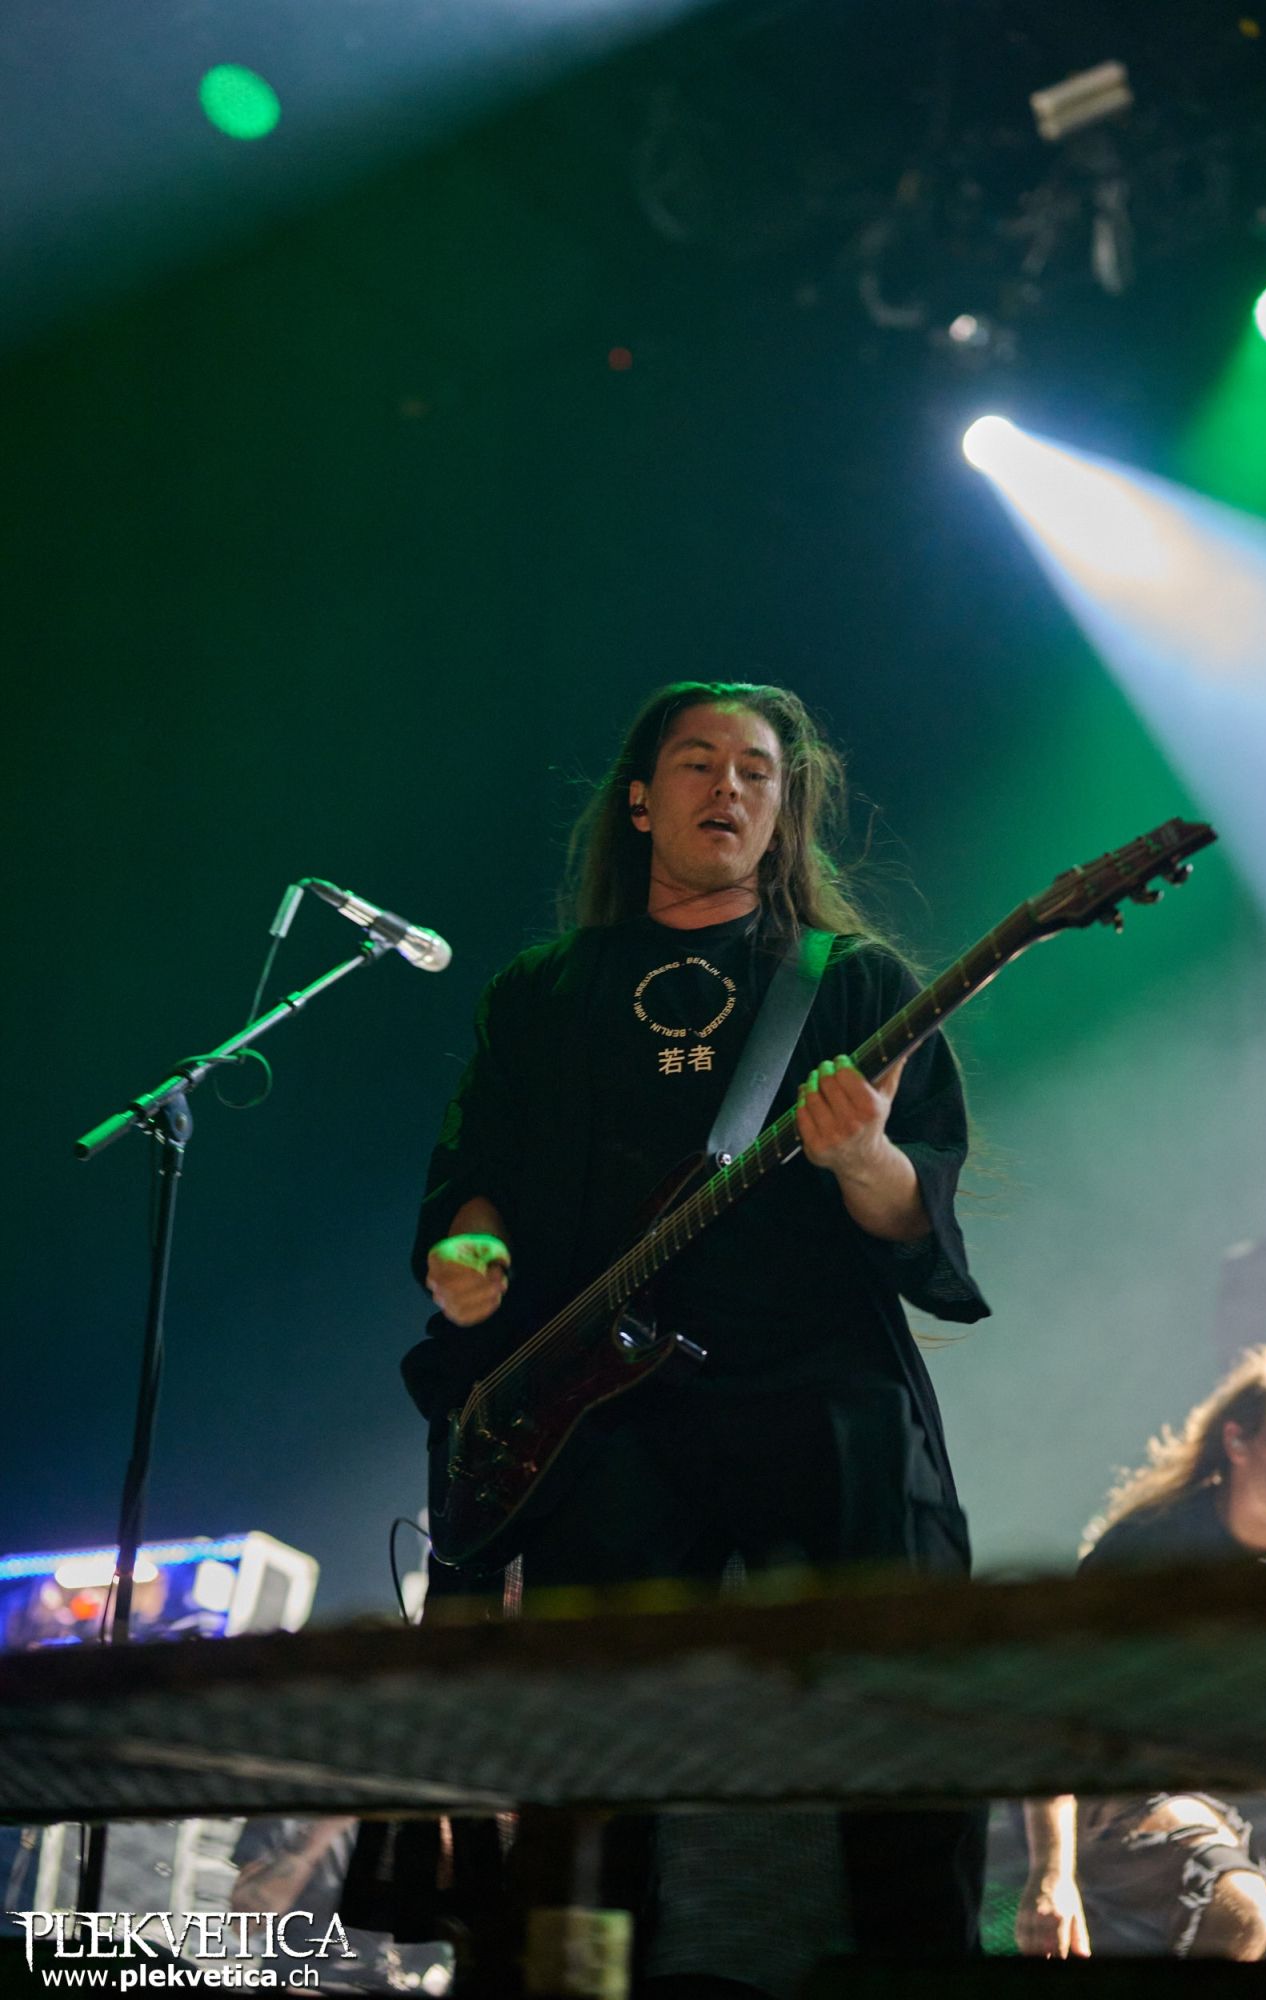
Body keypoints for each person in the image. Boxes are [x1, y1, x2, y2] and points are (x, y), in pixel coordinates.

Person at [404, 680, 990, 1997]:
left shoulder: (855, 982)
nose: (727, 785)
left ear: (782, 813)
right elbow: (471, 1177)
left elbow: (920, 1218)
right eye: (696, 761)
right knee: (590, 1771)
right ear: (639, 798)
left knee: (904, 1722)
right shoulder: (540, 993)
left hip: (818, 1397)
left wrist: (866, 1159)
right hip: (605, 1422)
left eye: (756, 771)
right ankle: (581, 1982)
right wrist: (469, 1252)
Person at [1018, 1343, 1266, 1963]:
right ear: (1237, 1440)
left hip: (1222, 1794)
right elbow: (1054, 1715)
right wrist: (1051, 1871)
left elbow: (1250, 1731)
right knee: (1238, 1905)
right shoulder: (1148, 1551)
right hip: (1099, 1790)